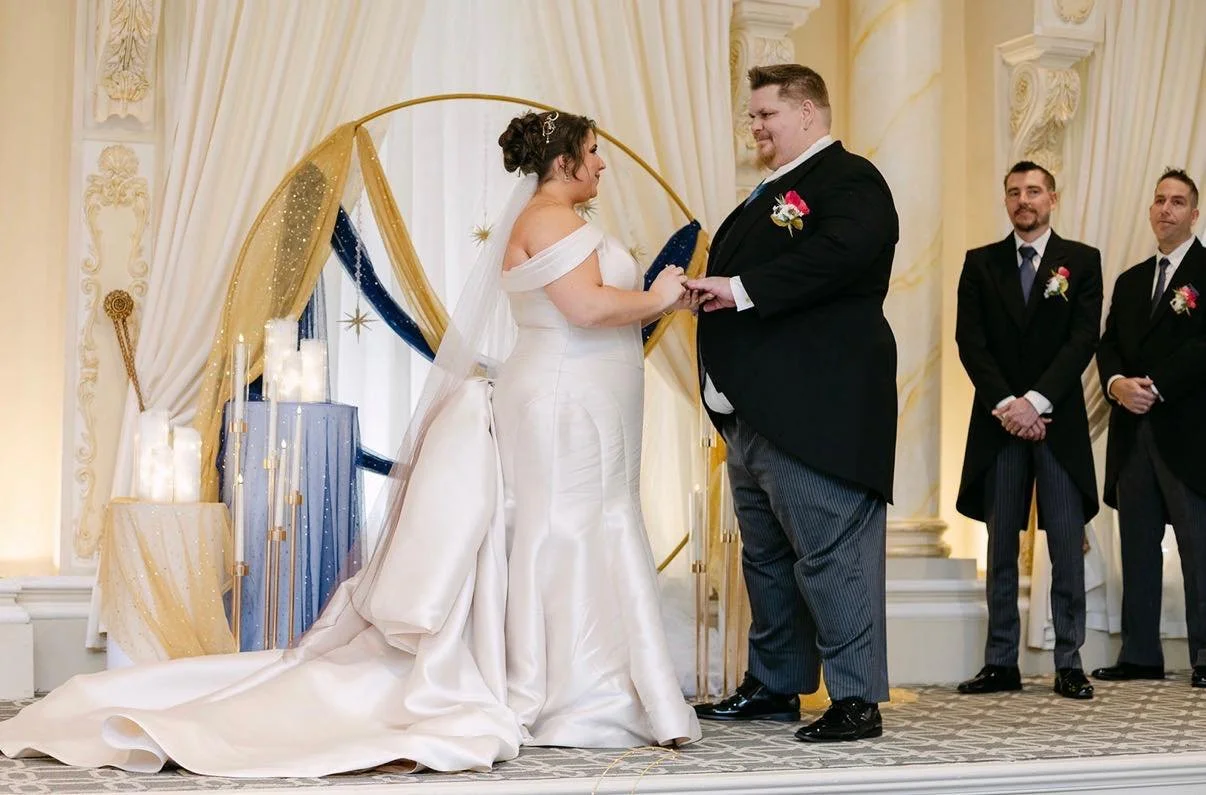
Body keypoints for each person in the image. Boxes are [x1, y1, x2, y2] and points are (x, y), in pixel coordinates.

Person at [0, 109, 701, 775]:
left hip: (584, 404)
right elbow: (585, 308)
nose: (603, 163)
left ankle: (595, 684)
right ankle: (574, 693)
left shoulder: (558, 218)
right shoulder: (548, 220)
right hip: (563, 402)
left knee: (586, 523)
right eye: (593, 151)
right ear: (563, 160)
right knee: (567, 529)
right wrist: (662, 296)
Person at [686, 64, 898, 743]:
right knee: (768, 560)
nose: (754, 127)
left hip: (819, 411)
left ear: (808, 112)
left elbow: (842, 254)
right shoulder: (766, 194)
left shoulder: (850, 179)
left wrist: (739, 288)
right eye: (752, 116)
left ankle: (856, 698)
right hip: (756, 415)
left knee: (831, 554)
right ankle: (775, 684)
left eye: (765, 114)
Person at [953, 161, 1102, 700]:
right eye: (1014, 192)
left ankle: (1069, 661)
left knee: (1064, 542)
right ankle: (1000, 662)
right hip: (1000, 426)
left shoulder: (1082, 262)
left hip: (1056, 425)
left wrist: (1035, 403)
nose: (1023, 200)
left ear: (1052, 198)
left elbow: (1082, 339)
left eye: (1033, 191)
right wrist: (1008, 406)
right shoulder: (979, 263)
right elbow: (971, 342)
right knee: (999, 548)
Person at [1093, 168, 1206, 690]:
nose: (1165, 209)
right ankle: (1141, 654)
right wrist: (1117, 383)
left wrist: (1156, 385)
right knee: (1136, 546)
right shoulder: (1131, 279)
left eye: (1177, 202)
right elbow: (1110, 341)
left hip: (1188, 432)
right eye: (1159, 200)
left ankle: (1205, 655)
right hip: (1131, 433)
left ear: (1195, 213)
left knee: (1198, 547)